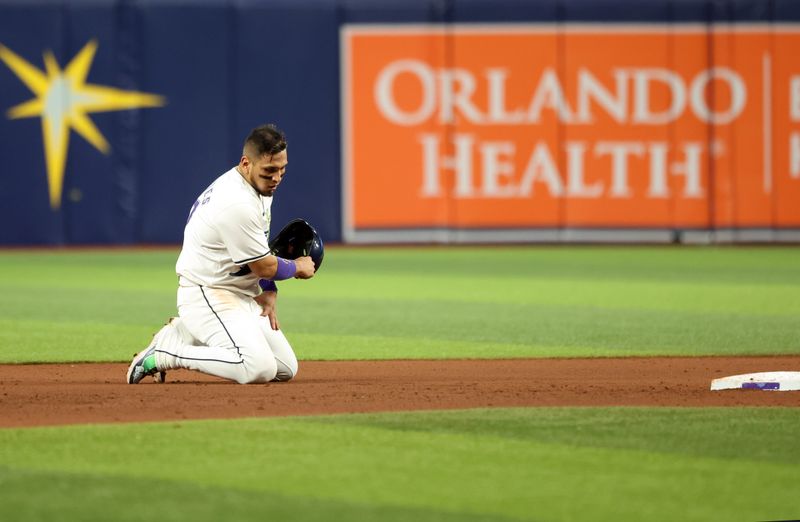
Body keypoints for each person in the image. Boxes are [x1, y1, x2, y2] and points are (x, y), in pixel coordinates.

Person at [126, 124, 315, 384]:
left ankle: (182, 332)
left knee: (285, 367)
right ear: (246, 163)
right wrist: (297, 266)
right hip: (206, 293)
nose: (277, 178)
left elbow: (258, 248)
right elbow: (264, 266)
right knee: (258, 368)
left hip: (236, 292)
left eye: (282, 169)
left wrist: (269, 291)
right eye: (270, 170)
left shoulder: (258, 186)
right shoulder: (236, 203)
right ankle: (167, 353)